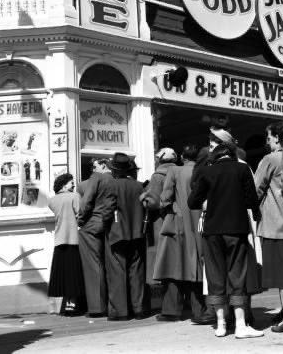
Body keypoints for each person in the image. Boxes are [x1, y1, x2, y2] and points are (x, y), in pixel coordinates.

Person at [187, 129, 263, 339]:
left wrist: (210, 200)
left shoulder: (207, 172)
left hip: (212, 230)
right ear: (231, 152)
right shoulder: (241, 169)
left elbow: (192, 202)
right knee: (237, 274)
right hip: (236, 228)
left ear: (216, 155)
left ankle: (220, 324)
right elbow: (251, 200)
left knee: (215, 275)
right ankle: (240, 325)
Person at [153, 143, 207, 322]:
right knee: (197, 266)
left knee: (174, 267)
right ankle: (199, 311)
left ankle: (172, 311)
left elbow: (165, 198)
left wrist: (169, 208)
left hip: (179, 222)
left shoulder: (175, 172)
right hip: (200, 222)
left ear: (182, 158)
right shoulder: (203, 171)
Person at [254, 121, 283, 334]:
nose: (267, 141)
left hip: (275, 222)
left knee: (282, 275)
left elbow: (255, 190)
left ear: (277, 138)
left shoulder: (270, 159)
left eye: (269, 137)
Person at [105, 153, 146, 321]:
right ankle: (139, 309)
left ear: (114, 170)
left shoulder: (111, 185)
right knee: (136, 271)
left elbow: (107, 210)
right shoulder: (139, 186)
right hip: (137, 232)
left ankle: (120, 311)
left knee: (117, 272)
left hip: (117, 233)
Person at [78, 156, 114, 317]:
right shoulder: (115, 179)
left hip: (92, 224)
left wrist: (80, 219)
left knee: (93, 266)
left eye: (94, 166)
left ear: (103, 165)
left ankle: (97, 307)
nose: (93, 169)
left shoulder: (96, 178)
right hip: (110, 224)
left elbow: (86, 201)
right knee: (109, 264)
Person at [48, 173, 84, 316]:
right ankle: (72, 304)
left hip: (59, 239)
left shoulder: (52, 201)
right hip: (73, 238)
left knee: (63, 275)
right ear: (64, 185)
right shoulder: (74, 196)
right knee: (73, 274)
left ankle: (64, 305)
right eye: (71, 183)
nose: (73, 185)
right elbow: (80, 214)